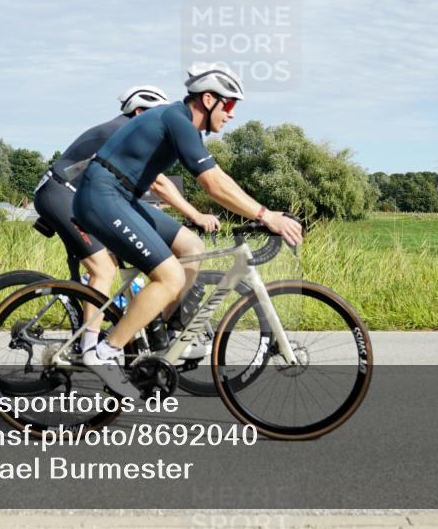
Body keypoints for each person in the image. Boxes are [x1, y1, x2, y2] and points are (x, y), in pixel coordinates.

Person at [74, 64, 303, 398]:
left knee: (191, 246)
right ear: (208, 99)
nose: (232, 114)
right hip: (101, 195)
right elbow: (212, 185)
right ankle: (104, 352)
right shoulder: (177, 120)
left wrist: (265, 212)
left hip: (121, 196)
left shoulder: (186, 127)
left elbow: (220, 177)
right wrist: (266, 216)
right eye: (230, 105)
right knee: (170, 278)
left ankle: (162, 335)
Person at [33, 85, 220, 354]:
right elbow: (159, 184)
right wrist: (196, 214)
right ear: (140, 112)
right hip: (61, 193)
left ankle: (158, 334)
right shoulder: (123, 131)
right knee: (103, 269)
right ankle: (91, 348)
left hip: (92, 197)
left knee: (183, 247)